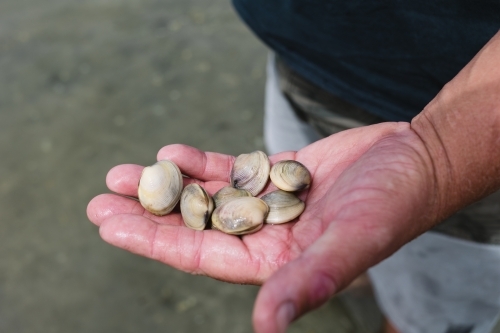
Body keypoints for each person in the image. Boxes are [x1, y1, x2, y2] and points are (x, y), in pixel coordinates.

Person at [87, 2, 500, 332]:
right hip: (300, 62)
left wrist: (440, 152)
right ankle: (354, 283)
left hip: (474, 130)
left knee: (429, 313)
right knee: (331, 243)